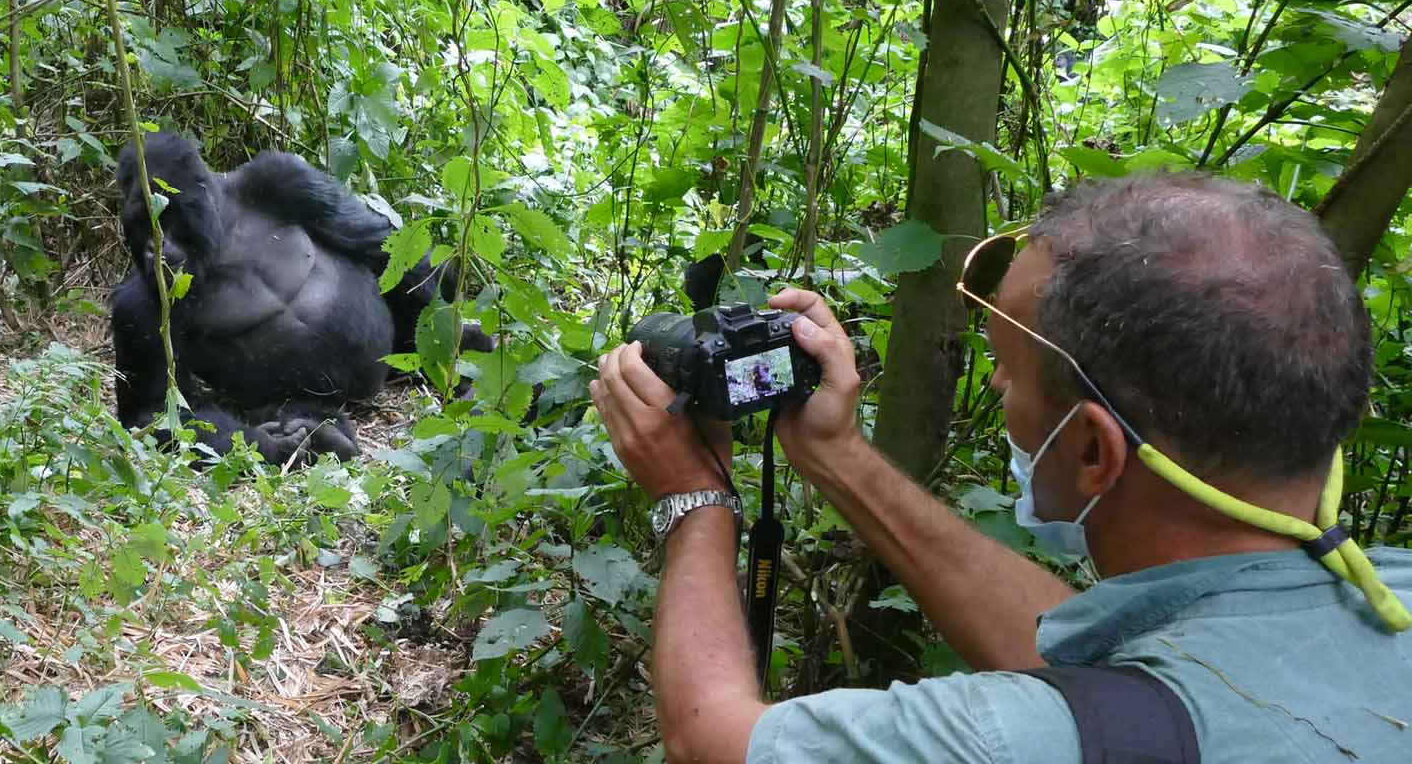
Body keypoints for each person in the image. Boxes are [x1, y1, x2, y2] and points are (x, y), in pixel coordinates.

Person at [590, 173, 1412, 762]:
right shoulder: (1386, 598)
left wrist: (695, 501)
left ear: (1095, 451)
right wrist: (835, 456)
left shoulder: (1017, 742)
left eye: (1007, 371)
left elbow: (714, 742)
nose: (993, 385)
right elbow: (1106, 672)